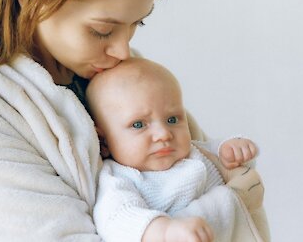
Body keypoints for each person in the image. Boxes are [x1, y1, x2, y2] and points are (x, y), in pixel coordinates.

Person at [0, 0, 185, 241]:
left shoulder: (118, 75)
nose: (122, 51)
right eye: (102, 31)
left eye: (138, 22)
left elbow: (205, 170)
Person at [86, 57, 260, 242]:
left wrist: (233, 149)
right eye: (138, 124)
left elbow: (233, 165)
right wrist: (164, 231)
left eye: (172, 120)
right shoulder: (119, 178)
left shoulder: (194, 152)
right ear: (103, 142)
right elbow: (116, 219)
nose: (163, 134)